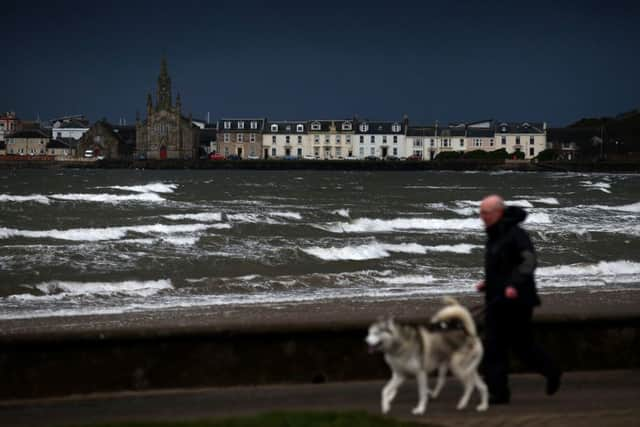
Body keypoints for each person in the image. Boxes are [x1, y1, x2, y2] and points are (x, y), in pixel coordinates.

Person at [476, 194, 561, 404]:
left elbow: (528, 262)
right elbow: (501, 265)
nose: (482, 217)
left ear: (498, 213)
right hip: (497, 300)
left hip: (518, 302)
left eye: (485, 213)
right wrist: (489, 282)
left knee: (523, 347)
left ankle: (552, 371)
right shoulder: (495, 234)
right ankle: (499, 393)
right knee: (493, 346)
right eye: (481, 213)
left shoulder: (516, 234)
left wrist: (514, 285)